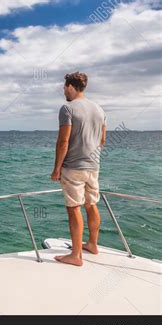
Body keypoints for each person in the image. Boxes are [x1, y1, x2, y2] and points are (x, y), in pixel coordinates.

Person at [51, 72, 107, 266]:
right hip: (94, 166)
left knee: (74, 208)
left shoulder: (67, 108)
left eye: (64, 86)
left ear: (71, 86)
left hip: (73, 167)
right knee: (91, 205)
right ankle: (92, 244)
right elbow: (102, 140)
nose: (63, 90)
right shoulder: (99, 109)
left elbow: (63, 141)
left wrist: (57, 168)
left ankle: (75, 256)